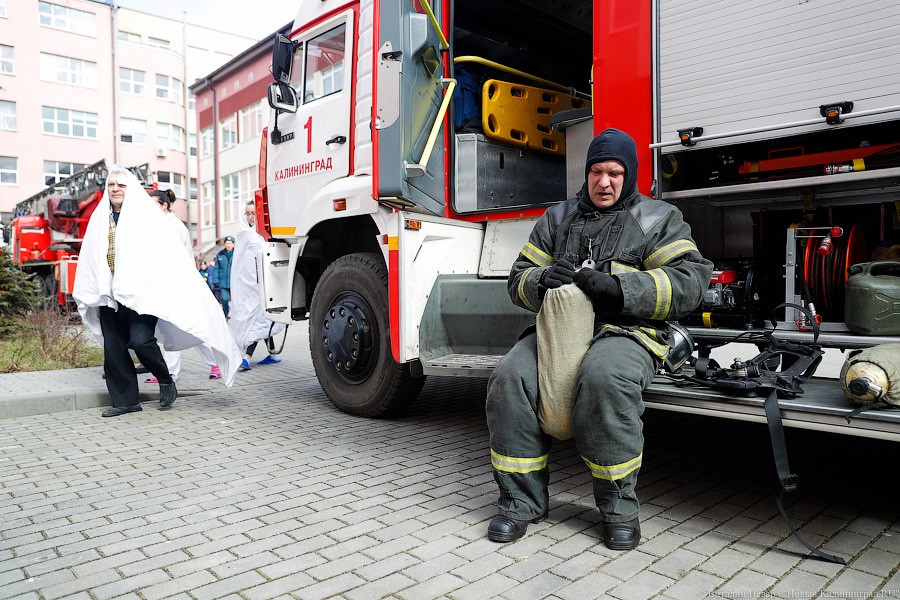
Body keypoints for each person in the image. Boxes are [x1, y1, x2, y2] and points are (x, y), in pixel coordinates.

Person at [485, 128, 713, 550]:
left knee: (606, 379)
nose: (604, 182)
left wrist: (620, 288)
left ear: (630, 175)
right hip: (557, 332)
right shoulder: (557, 218)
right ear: (586, 173)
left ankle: (618, 509)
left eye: (614, 173)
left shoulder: (658, 218)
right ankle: (520, 503)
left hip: (628, 332)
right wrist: (540, 280)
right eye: (596, 172)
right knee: (509, 379)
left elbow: (691, 282)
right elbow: (517, 279)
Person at [73, 165, 242, 417]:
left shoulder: (146, 218)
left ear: (131, 189)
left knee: (141, 341)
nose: (115, 189)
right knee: (114, 348)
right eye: (111, 185)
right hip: (109, 296)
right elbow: (91, 255)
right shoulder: (100, 220)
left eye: (121, 185)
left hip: (142, 293)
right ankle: (126, 401)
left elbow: (165, 254)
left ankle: (165, 379)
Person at [145, 189, 223, 382]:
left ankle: (171, 373)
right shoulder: (160, 225)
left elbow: (174, 259)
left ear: (164, 205)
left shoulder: (175, 227)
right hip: (166, 285)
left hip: (177, 285)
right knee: (179, 328)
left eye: (153, 205)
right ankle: (211, 363)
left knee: (181, 327)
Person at [231, 200, 285, 371]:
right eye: (248, 213)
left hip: (260, 284)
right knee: (260, 320)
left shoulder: (259, 233)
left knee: (259, 320)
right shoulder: (245, 234)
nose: (251, 217)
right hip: (250, 285)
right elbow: (242, 263)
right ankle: (272, 354)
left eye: (253, 213)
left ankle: (247, 357)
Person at [211, 236, 235, 318]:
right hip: (223, 282)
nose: (228, 245)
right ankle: (226, 314)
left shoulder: (237, 254)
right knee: (224, 299)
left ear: (233, 244)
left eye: (230, 243)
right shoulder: (220, 254)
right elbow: (216, 268)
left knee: (235, 300)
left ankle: (236, 315)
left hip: (234, 282)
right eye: (226, 243)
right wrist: (215, 280)